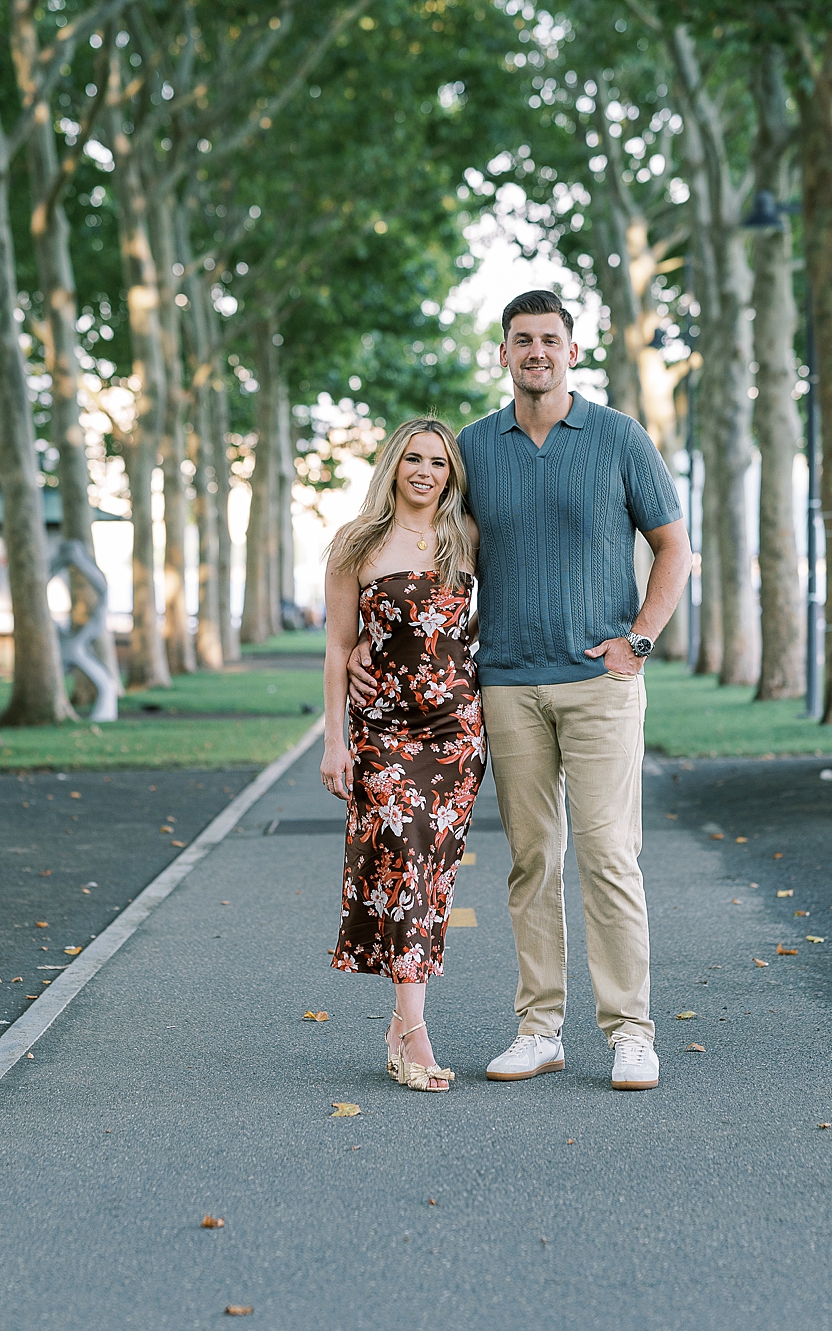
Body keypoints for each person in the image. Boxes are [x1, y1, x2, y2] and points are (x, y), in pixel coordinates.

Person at [351, 290, 692, 1092]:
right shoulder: (474, 447)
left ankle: (631, 1032)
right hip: (502, 685)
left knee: (609, 855)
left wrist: (639, 638)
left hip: (600, 683)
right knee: (532, 860)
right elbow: (421, 534)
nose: (535, 351)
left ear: (573, 351)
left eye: (549, 339)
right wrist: (374, 630)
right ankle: (540, 1028)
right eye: (521, 340)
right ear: (502, 354)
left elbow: (675, 548)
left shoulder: (617, 438)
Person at [321, 417, 484, 1093]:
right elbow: (337, 646)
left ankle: (401, 1025)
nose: (425, 470)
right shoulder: (355, 543)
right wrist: (335, 740)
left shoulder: (467, 537)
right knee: (404, 860)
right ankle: (414, 1034)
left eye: (439, 462)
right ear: (393, 465)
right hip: (382, 731)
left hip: (455, 733)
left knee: (430, 872)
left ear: (451, 474)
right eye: (413, 458)